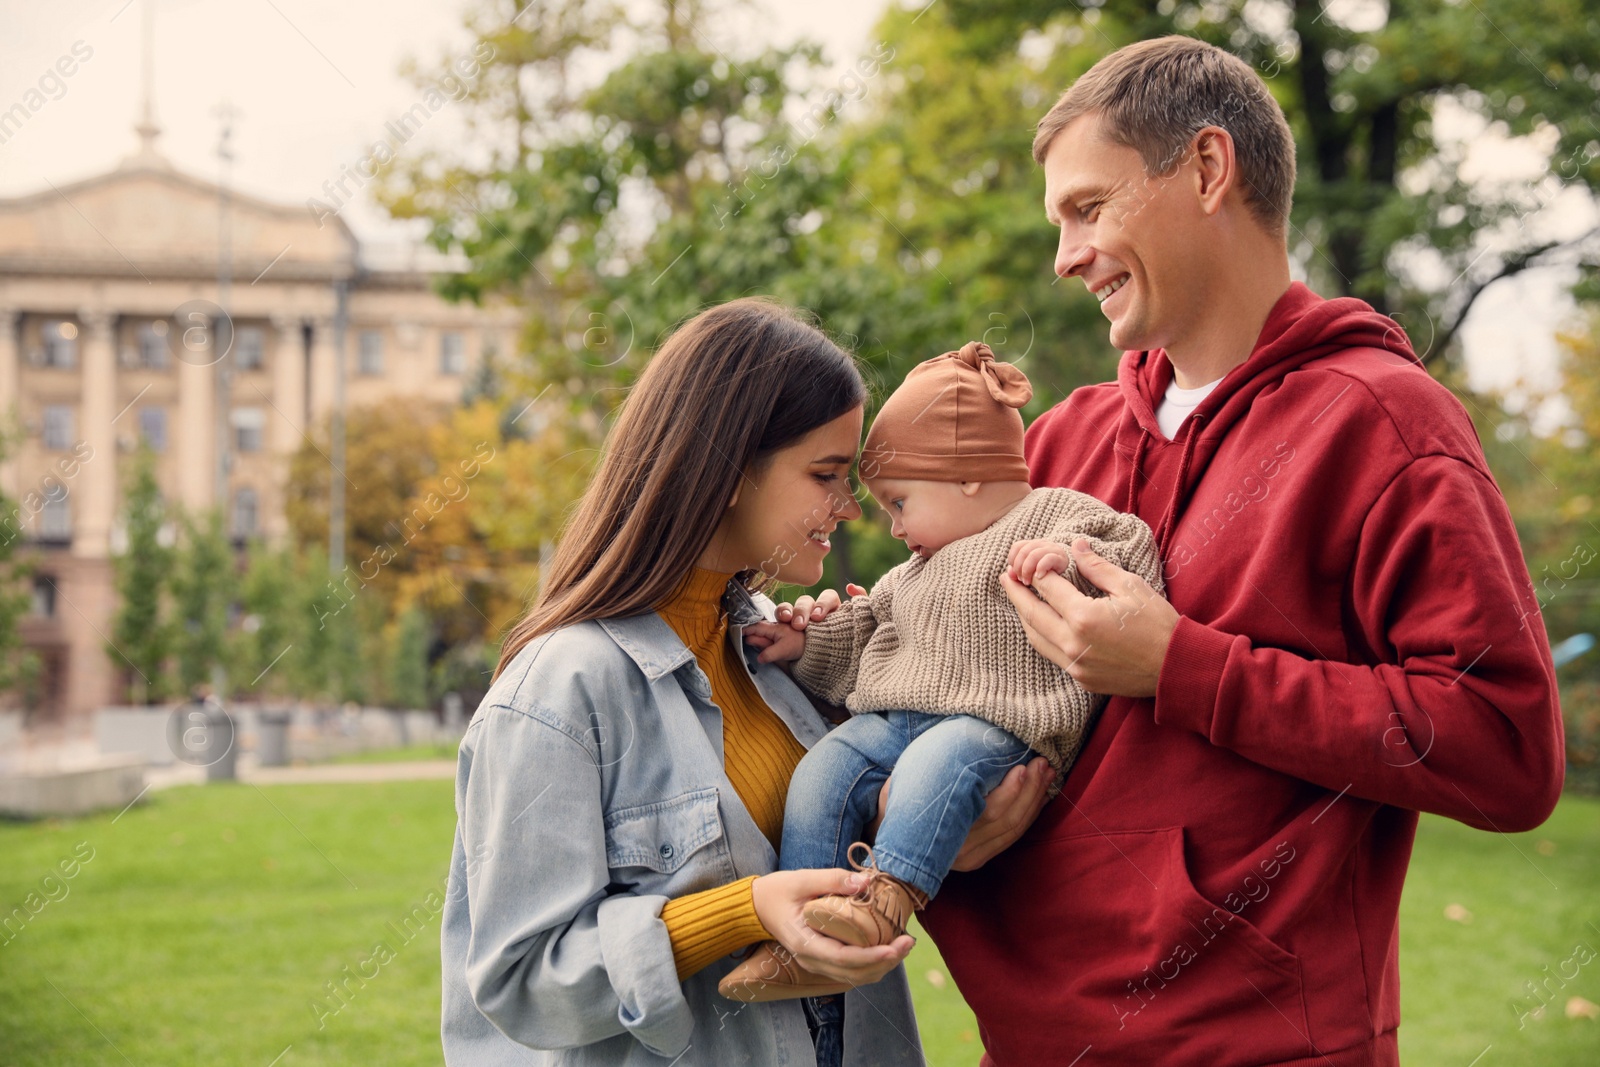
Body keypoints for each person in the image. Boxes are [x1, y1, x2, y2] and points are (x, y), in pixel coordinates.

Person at [908, 35, 1565, 1067]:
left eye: (1088, 208)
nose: (1064, 255)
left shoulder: (1385, 424)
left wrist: (1182, 666)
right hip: (1024, 1042)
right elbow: (942, 657)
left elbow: (1506, 751)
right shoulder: (1054, 444)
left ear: (1208, 169)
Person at [438, 297, 1053, 1067]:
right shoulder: (559, 693)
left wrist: (934, 832)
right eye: (826, 473)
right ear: (727, 472)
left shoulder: (779, 652)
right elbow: (520, 979)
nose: (851, 506)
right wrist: (742, 912)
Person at [717, 340, 1164, 1003]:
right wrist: (800, 645)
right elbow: (862, 632)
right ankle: (801, 932)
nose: (893, 526)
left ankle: (883, 899)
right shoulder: (915, 571)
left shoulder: (1052, 515)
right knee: (824, 771)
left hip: (1000, 721)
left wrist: (1066, 561)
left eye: (899, 502)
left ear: (966, 477)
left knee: (938, 765)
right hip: (895, 718)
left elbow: (1132, 550)